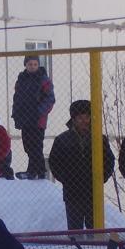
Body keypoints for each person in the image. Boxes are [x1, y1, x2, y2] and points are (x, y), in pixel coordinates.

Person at [48, 99, 115, 230]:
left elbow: (109, 160)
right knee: (74, 231)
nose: (84, 121)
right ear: (73, 119)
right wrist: (67, 179)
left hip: (93, 192)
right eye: (80, 118)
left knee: (95, 230)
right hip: (72, 193)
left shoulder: (100, 138)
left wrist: (101, 178)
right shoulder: (62, 140)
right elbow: (54, 163)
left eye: (87, 117)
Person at [11, 55, 55, 180]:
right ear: (26, 65)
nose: (33, 66)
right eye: (30, 64)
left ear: (38, 65)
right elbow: (17, 98)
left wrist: (39, 112)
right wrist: (16, 114)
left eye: (35, 64)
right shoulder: (22, 79)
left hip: (37, 119)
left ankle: (39, 172)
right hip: (25, 118)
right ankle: (33, 171)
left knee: (36, 145)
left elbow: (50, 98)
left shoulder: (43, 79)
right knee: (28, 145)